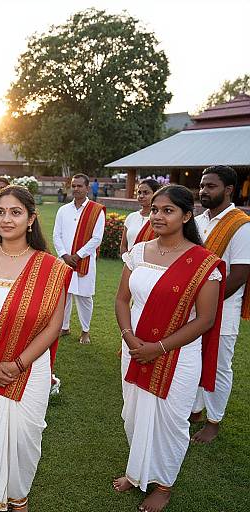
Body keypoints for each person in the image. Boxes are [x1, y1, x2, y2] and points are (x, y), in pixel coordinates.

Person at [0, 185, 72, 512]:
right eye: (0, 212)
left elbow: (53, 326)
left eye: (16, 212)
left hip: (30, 366)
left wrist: (20, 362)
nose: (6, 219)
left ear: (31, 219)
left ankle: (18, 500)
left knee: (24, 437)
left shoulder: (49, 268)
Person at [114, 185, 225, 512]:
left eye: (168, 210)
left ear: (186, 216)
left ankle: (163, 485)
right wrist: (129, 337)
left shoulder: (204, 264)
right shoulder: (138, 251)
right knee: (133, 413)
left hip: (177, 355)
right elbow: (121, 299)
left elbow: (204, 320)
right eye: (155, 210)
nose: (158, 216)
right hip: (134, 347)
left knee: (170, 420)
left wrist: (158, 347)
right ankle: (136, 474)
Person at [190, 165, 250, 443]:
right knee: (194, 359)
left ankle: (214, 422)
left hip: (223, 310)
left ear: (228, 190)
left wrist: (205, 303)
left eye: (210, 186)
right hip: (193, 308)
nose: (203, 191)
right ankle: (196, 410)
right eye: (202, 185)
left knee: (218, 365)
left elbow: (238, 275)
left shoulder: (241, 225)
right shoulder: (199, 220)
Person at [52, 173, 105, 344]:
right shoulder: (63, 210)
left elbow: (97, 238)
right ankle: (64, 327)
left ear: (87, 188)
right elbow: (56, 235)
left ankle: (85, 331)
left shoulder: (96, 211)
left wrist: (78, 255)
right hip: (64, 261)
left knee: (84, 297)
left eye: (79, 186)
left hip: (84, 261)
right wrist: (65, 255)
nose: (76, 189)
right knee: (64, 295)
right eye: (73, 186)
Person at [119, 179, 160, 256]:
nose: (141, 196)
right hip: (130, 264)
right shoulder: (131, 217)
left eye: (146, 193)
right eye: (139, 193)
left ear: (156, 194)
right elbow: (123, 246)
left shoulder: (159, 219)